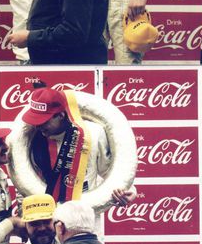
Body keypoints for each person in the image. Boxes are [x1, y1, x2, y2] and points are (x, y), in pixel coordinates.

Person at [12, 86, 136, 235]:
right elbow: (24, 183)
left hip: (86, 220)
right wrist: (23, 215)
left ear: (60, 115)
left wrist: (127, 191)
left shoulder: (93, 133)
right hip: (47, 224)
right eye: (35, 121)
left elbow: (108, 171)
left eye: (44, 121)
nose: (38, 126)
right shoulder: (32, 139)